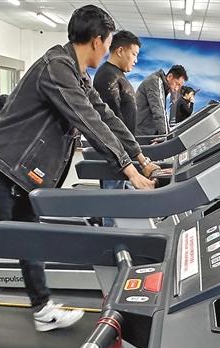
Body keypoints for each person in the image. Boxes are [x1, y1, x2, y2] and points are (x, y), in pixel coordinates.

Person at [0, 4, 159, 334]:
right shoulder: (57, 67)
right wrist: (129, 171)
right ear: (97, 40)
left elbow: (104, 115)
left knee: (31, 242)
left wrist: (141, 159)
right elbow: (88, 121)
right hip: (2, 168)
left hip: (23, 174)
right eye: (107, 43)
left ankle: (42, 309)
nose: (107, 50)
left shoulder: (77, 74)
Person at [92, 30, 148, 226]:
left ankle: (117, 233)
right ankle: (110, 237)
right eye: (134, 54)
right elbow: (110, 122)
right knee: (113, 204)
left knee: (120, 200)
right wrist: (138, 157)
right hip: (114, 152)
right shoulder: (107, 76)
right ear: (120, 51)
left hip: (122, 151)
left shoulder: (117, 75)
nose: (135, 60)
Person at [135, 64, 188, 136]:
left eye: (179, 86)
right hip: (141, 132)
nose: (177, 88)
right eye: (177, 84)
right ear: (169, 77)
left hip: (147, 131)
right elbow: (158, 111)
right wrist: (165, 136)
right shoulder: (155, 81)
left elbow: (163, 113)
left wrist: (168, 133)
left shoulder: (163, 87)